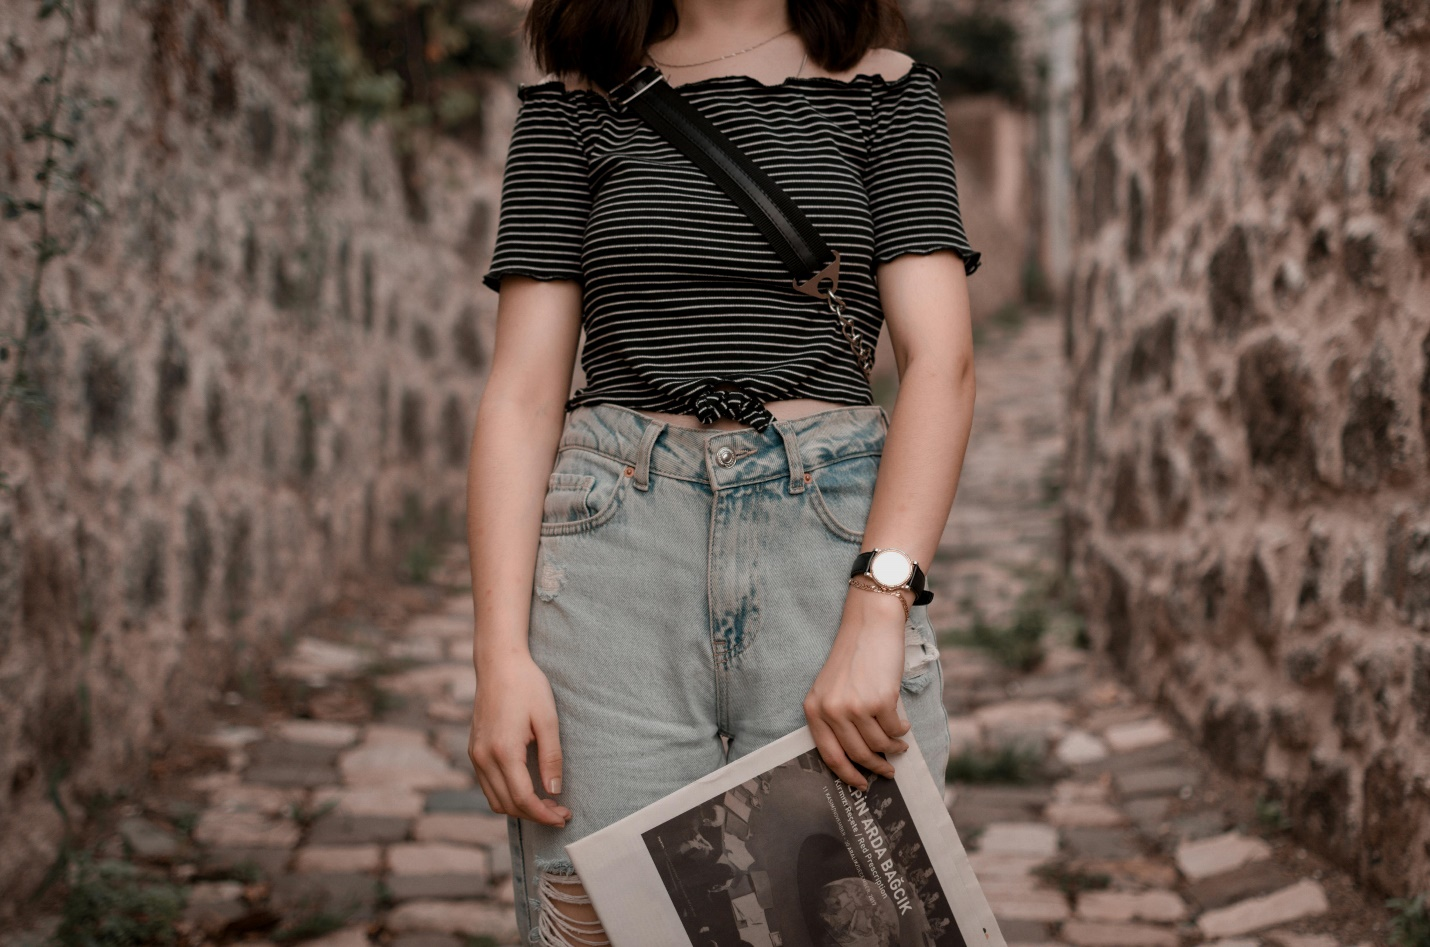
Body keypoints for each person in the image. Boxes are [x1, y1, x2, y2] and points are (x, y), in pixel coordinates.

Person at [464, 0, 980, 941]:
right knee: (607, 923)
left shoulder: (883, 89)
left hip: (827, 546)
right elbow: (521, 396)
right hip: (616, 549)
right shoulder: (576, 101)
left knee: (861, 916)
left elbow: (941, 363)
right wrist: (500, 655)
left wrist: (878, 602)